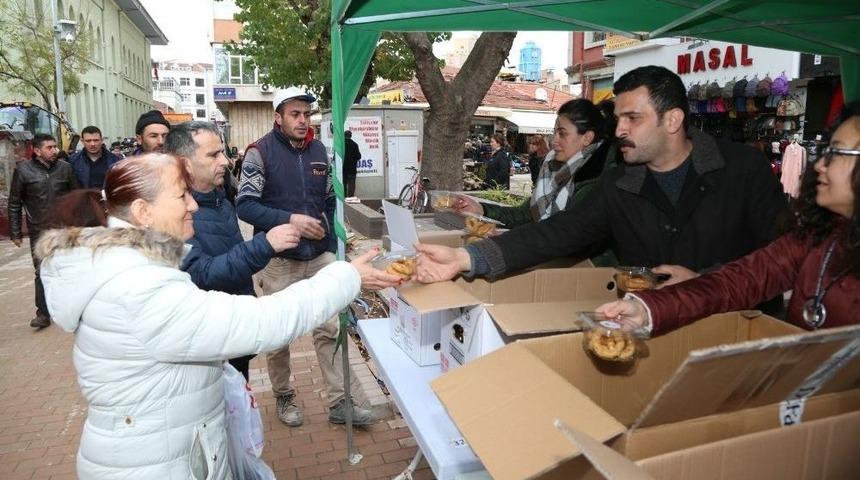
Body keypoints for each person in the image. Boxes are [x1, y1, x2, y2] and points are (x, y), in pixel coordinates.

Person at [36, 154, 397, 479]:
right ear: (144, 212)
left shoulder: (131, 268)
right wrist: (347, 277)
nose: (193, 205)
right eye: (181, 196)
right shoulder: (138, 289)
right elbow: (262, 322)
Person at [415, 66, 787, 302]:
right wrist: (468, 257)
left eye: (633, 118)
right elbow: (556, 233)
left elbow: (784, 256)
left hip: (734, 330)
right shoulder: (620, 183)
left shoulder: (744, 170)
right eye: (618, 117)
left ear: (672, 120)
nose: (620, 129)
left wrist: (708, 281)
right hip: (652, 331)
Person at [596, 102, 860, 333]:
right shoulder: (814, 238)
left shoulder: (743, 168)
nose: (820, 165)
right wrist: (647, 310)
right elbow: (741, 280)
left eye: (836, 153)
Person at [237, 87, 378, 427]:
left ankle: (340, 402)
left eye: (306, 114)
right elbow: (245, 204)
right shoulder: (260, 153)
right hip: (278, 261)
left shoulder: (320, 151)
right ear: (278, 117)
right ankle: (284, 397)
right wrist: (289, 220)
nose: (303, 120)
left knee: (331, 327)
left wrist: (329, 241)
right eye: (295, 114)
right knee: (278, 334)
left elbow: (330, 199)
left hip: (319, 258)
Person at [165, 121, 298, 380]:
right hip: (209, 346)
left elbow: (235, 264)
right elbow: (201, 273)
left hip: (235, 334)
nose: (225, 161)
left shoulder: (222, 203)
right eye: (214, 155)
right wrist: (265, 244)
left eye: (223, 152)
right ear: (184, 163)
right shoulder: (175, 217)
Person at [454, 99, 614, 229]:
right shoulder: (553, 169)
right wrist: (482, 209)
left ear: (587, 138)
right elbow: (526, 214)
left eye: (562, 134)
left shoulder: (597, 181)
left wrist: (510, 242)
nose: (553, 141)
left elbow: (565, 236)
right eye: (554, 132)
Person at [7, 133, 79, 329]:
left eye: (55, 147)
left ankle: (74, 310)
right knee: (42, 272)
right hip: (39, 231)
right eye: (50, 147)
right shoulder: (23, 171)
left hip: (65, 229)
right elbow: (15, 203)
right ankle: (43, 313)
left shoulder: (65, 169)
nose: (55, 150)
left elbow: (77, 197)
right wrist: (15, 232)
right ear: (37, 151)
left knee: (70, 269)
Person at [344, 130, 361, 197]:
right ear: (350, 136)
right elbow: (358, 156)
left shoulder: (341, 145)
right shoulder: (355, 144)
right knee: (351, 185)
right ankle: (350, 199)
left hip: (343, 169)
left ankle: (343, 199)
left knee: (343, 185)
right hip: (352, 170)